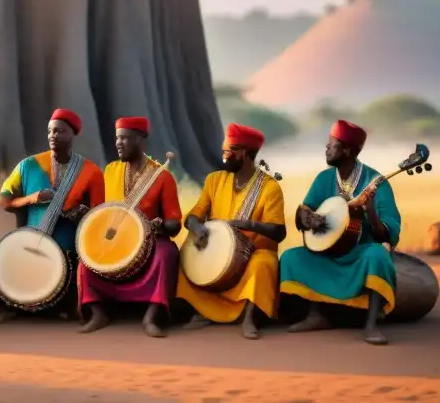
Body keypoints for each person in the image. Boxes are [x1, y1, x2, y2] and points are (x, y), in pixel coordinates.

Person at [279, 119, 401, 346]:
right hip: (326, 254)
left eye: (331, 144)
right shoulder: (324, 178)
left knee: (378, 256)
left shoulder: (376, 182)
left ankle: (371, 325)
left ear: (346, 150)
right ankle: (316, 315)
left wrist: (371, 214)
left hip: (359, 254)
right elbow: (303, 212)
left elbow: (389, 233)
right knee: (290, 258)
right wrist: (309, 219)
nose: (326, 148)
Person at [0, 108, 105, 324]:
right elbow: (4, 201)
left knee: (78, 266)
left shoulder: (91, 172)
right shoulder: (28, 165)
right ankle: (7, 307)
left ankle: (72, 309)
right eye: (50, 131)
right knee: (3, 258)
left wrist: (78, 213)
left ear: (72, 135)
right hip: (30, 236)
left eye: (60, 131)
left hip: (68, 242)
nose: (53, 136)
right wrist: (31, 198)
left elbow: (98, 215)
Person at [177, 123, 285, 340]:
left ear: (243, 154)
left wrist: (247, 225)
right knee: (186, 254)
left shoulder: (270, 187)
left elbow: (278, 231)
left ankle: (250, 318)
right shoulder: (214, 180)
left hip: (253, 251)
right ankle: (202, 311)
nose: (223, 156)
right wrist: (197, 228)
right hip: (218, 247)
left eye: (228, 152)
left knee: (264, 263)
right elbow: (193, 215)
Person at [77, 117, 182, 338]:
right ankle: (97, 312)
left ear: (141, 140)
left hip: (149, 242)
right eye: (117, 138)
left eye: (125, 138)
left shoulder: (162, 176)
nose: (119, 143)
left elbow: (175, 223)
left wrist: (161, 225)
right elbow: (101, 212)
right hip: (116, 241)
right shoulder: (111, 171)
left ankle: (152, 317)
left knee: (167, 254)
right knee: (85, 261)